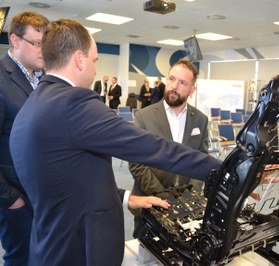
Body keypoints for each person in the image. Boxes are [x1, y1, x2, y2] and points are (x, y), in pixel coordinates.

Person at [9, 19, 221, 266]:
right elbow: (154, 148)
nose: (95, 69)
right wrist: (225, 171)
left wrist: (125, 197)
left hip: (49, 245)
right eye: (94, 60)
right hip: (78, 249)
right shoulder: (74, 104)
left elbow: (66, 178)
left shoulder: (34, 102)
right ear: (79, 59)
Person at [129, 59, 209, 239]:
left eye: (182, 83)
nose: (174, 86)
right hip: (149, 205)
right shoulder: (144, 117)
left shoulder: (200, 120)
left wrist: (189, 196)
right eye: (171, 79)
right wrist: (163, 196)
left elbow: (202, 159)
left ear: (191, 90)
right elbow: (136, 163)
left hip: (186, 207)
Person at [0, 11, 49, 266]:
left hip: (41, 195)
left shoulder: (40, 80)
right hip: (16, 197)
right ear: (15, 41)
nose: (44, 50)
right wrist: (10, 199)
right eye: (37, 43)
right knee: (20, 259)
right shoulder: (1, 78)